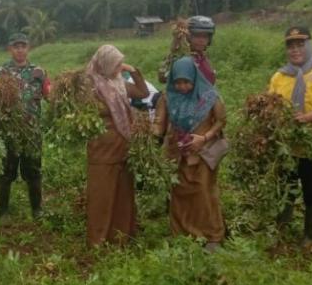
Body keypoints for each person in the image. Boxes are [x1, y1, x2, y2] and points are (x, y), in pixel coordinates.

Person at [268, 27, 312, 246]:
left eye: (300, 45)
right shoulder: (279, 76)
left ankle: (311, 234)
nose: (295, 50)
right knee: (285, 187)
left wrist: (305, 118)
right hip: (286, 146)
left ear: (309, 46)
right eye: (291, 46)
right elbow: (271, 103)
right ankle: (282, 226)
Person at [153, 56, 227, 251]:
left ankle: (212, 236)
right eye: (177, 82)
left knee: (204, 191)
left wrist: (204, 137)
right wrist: (146, 132)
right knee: (179, 193)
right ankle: (181, 233)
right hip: (176, 153)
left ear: (195, 79)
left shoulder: (209, 96)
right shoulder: (168, 97)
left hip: (202, 152)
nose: (182, 87)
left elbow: (221, 120)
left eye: (186, 82)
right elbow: (159, 124)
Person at [84, 44, 149, 247]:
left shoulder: (119, 84)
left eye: (120, 63)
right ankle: (98, 240)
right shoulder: (90, 87)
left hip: (123, 147)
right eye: (115, 64)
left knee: (123, 192)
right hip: (101, 149)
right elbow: (85, 114)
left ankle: (121, 236)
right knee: (101, 194)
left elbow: (142, 92)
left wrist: (133, 71)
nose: (118, 68)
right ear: (104, 64)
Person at [0, 33, 49, 220]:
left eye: (23, 46)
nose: (20, 50)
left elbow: (49, 93)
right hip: (8, 132)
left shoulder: (38, 72)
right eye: (16, 46)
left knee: (33, 172)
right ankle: (3, 212)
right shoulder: (0, 72)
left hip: (32, 133)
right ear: (10, 49)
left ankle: (37, 210)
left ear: (28, 48)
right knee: (6, 172)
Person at [187, 15, 217, 85]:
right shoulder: (184, 59)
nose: (201, 40)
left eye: (205, 36)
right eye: (197, 36)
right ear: (188, 37)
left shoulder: (201, 57)